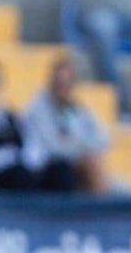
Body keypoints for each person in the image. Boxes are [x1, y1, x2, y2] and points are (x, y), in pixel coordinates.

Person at [0, 57, 75, 192]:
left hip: (18, 169)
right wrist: (14, 159)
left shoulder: (9, 115)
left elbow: (31, 146)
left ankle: (65, 212)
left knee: (61, 170)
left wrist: (28, 162)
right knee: (20, 176)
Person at [23, 56, 111, 194]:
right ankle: (101, 211)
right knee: (90, 166)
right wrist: (80, 148)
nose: (63, 88)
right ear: (51, 82)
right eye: (59, 83)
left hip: (74, 165)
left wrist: (79, 146)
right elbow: (53, 148)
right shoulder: (38, 108)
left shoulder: (74, 109)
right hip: (47, 169)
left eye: (67, 84)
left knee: (124, 187)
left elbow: (103, 139)